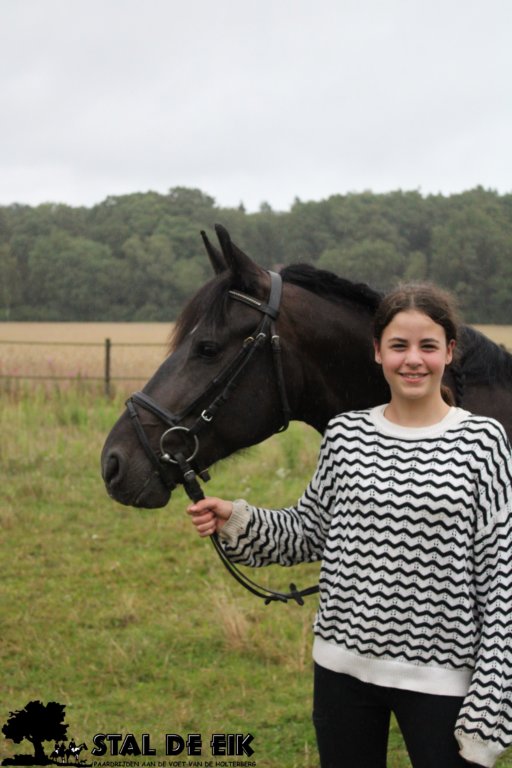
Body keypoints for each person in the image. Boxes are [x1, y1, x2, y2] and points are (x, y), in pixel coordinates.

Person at [187, 282, 512, 768]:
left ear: (449, 352)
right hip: (342, 673)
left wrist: (490, 700)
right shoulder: (346, 434)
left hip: (443, 682)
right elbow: (309, 530)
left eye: (427, 346)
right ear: (377, 352)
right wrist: (237, 519)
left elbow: (500, 579)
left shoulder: (482, 442)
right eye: (399, 346)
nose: (413, 360)